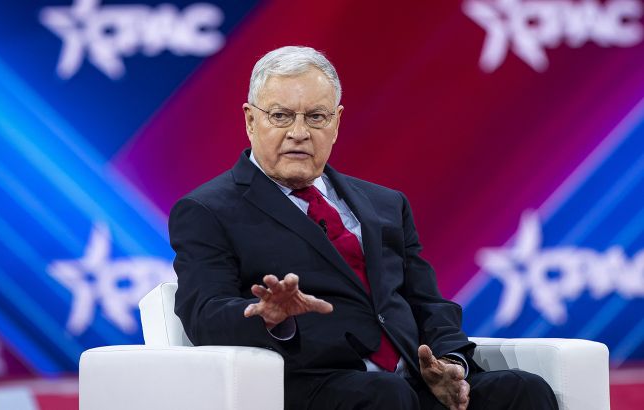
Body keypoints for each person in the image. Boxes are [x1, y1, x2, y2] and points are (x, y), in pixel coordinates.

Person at [169, 46, 558, 410]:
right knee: (386, 395)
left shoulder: (386, 203)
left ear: (336, 123)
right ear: (251, 120)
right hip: (314, 384)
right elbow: (204, 313)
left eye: (316, 117)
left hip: (412, 382)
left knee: (523, 390)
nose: (299, 132)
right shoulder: (207, 210)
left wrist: (451, 362)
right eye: (281, 116)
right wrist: (269, 315)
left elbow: (427, 303)